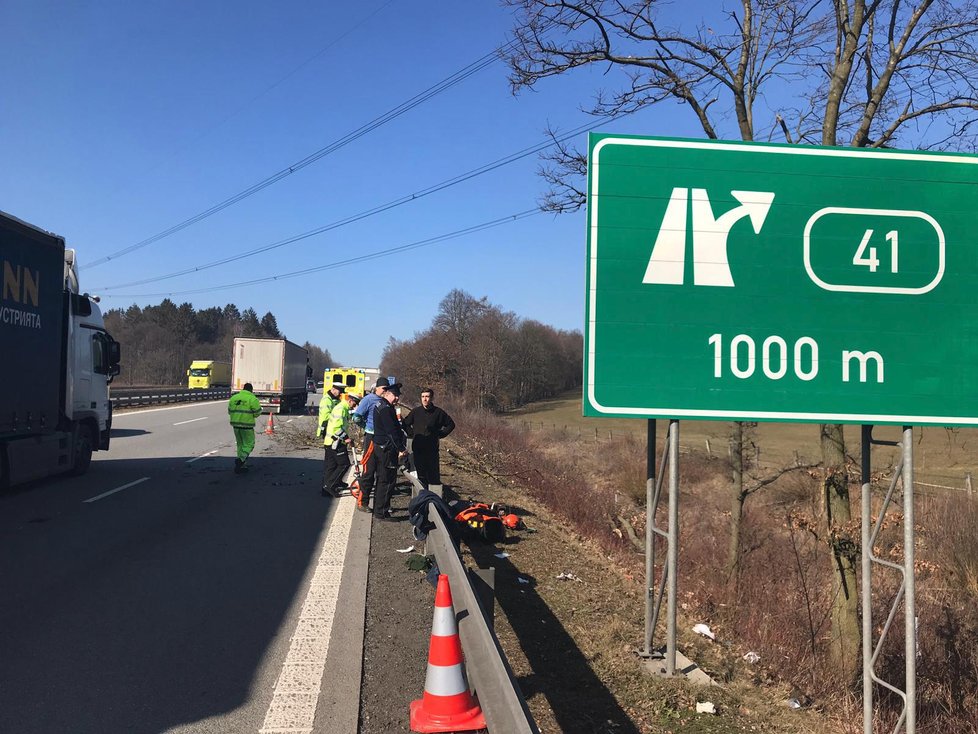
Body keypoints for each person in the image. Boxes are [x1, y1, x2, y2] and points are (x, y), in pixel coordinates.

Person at [401, 387, 455, 489]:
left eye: (427, 397)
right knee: (420, 475)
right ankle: (422, 496)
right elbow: (405, 423)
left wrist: (441, 434)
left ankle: (434, 497)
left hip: (432, 450)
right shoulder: (416, 412)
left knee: (433, 475)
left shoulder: (438, 413)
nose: (425, 399)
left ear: (431, 398)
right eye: (423, 397)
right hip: (418, 448)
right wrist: (412, 433)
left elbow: (451, 425)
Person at [351, 377, 390, 511]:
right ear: (377, 388)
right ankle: (362, 502)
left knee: (381, 471)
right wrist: (366, 427)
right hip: (372, 438)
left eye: (387, 389)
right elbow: (356, 417)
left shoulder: (386, 401)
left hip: (383, 439)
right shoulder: (368, 399)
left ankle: (381, 505)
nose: (385, 391)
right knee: (369, 471)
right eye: (383, 389)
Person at [370, 381, 407, 520]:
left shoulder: (382, 405)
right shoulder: (386, 408)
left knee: (383, 480)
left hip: (382, 447)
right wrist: (401, 448)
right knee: (387, 481)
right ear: (387, 394)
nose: (397, 398)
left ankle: (381, 509)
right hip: (386, 449)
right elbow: (391, 431)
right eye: (395, 395)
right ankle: (382, 512)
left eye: (398, 396)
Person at [321, 391, 360, 497]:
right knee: (344, 464)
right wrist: (347, 438)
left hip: (331, 442)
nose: (355, 406)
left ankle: (327, 486)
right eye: (355, 403)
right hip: (336, 442)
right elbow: (337, 428)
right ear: (350, 400)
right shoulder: (341, 409)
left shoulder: (343, 408)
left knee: (332, 466)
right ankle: (331, 485)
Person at [228, 382, 262, 473]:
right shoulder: (252, 399)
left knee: (240, 445)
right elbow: (258, 412)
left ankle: (242, 466)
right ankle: (241, 460)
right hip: (247, 425)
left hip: (235, 425)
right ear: (251, 390)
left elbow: (229, 411)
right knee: (249, 444)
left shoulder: (234, 398)